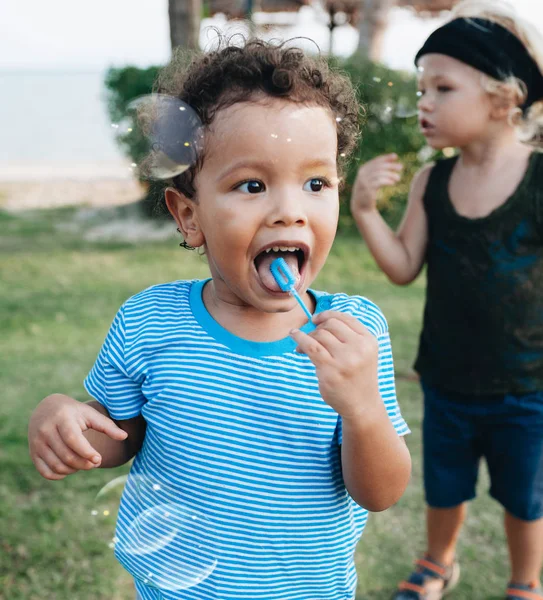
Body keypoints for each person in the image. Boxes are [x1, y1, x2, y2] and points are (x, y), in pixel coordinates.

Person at [27, 38, 411, 600]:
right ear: (189, 216)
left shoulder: (355, 333)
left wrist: (362, 410)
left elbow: (380, 492)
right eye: (252, 185)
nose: (289, 209)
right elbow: (119, 437)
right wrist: (68, 419)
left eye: (316, 183)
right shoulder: (151, 322)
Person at [350, 1, 543, 599]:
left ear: (503, 97)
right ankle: (438, 561)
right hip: (448, 378)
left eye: (442, 86)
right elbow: (405, 265)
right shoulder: (433, 183)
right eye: (420, 87)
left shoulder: (539, 181)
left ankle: (526, 580)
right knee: (445, 486)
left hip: (529, 384)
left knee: (525, 497)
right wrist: (362, 210)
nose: (423, 102)